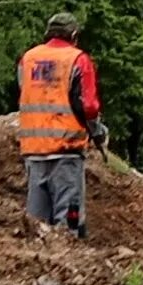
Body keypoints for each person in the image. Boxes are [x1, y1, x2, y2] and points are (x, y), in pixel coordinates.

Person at [17, 12, 106, 235]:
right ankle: (68, 264)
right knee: (69, 221)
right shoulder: (78, 60)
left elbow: (27, 93)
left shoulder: (28, 59)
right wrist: (98, 132)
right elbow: (89, 106)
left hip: (33, 151)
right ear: (73, 35)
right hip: (66, 151)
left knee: (37, 223)